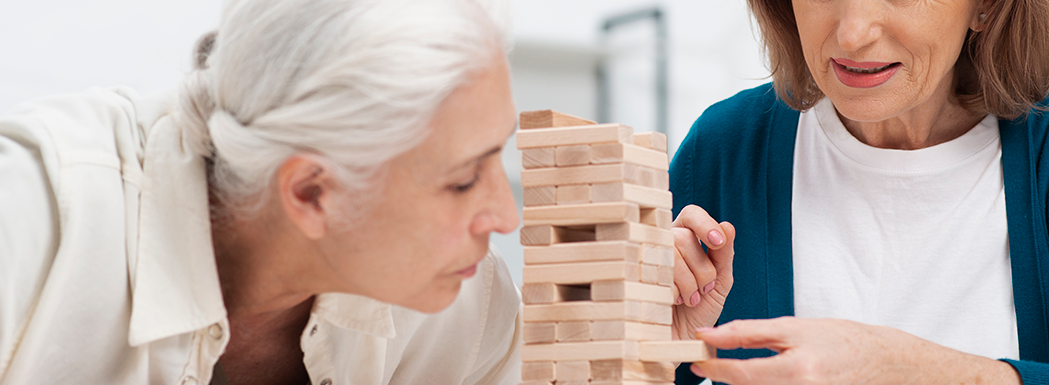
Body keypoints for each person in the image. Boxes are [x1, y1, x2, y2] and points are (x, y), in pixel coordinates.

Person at [0, 0, 734, 383]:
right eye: (460, 179)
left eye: (497, 160)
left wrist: (635, 348)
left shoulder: (462, 313)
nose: (505, 216)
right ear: (312, 193)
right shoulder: (31, 219)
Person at [670, 0, 1049, 383]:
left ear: (986, 7)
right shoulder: (724, 149)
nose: (853, 32)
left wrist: (909, 371)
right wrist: (649, 350)